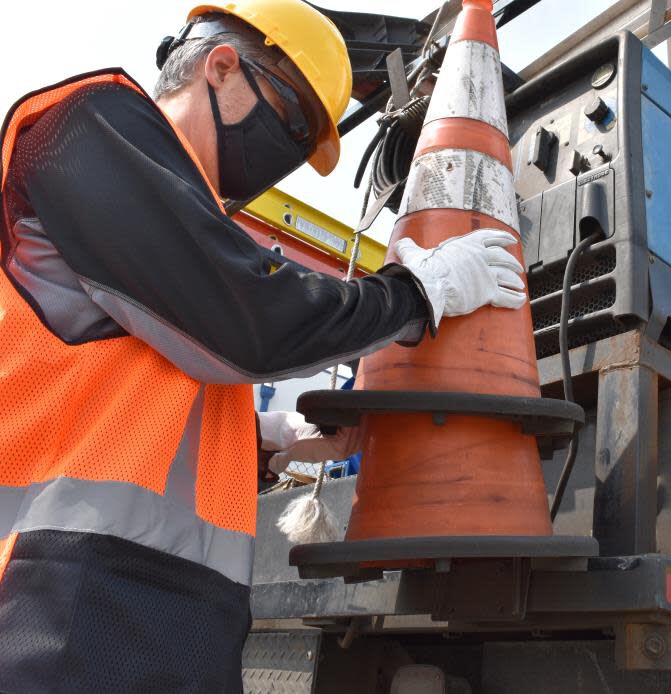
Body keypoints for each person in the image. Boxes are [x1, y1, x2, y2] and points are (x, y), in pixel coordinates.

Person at [0, 0, 526, 690]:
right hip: (59, 611)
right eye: (293, 120)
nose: (289, 155)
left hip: (159, 616)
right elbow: (247, 324)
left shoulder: (173, 232)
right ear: (222, 67)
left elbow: (127, 406)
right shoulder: (91, 127)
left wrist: (274, 439)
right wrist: (413, 294)